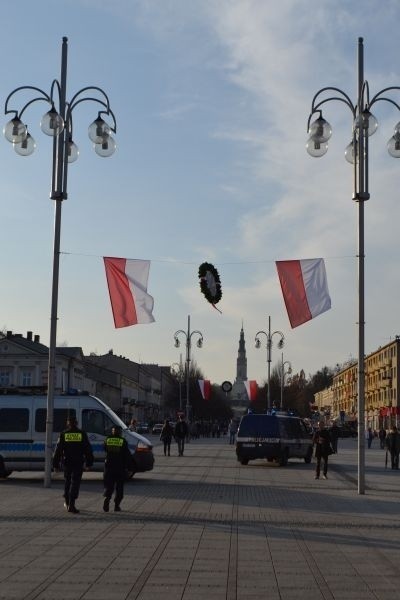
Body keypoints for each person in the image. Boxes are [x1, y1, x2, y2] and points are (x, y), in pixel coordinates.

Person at [53, 416, 93, 514]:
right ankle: (72, 503)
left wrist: (55, 464)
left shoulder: (64, 434)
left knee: (67, 481)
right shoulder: (82, 434)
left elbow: (58, 450)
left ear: (68, 423)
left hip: (67, 462)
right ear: (76, 423)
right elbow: (88, 449)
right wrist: (89, 463)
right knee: (75, 482)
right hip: (78, 462)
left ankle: (67, 502)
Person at [103, 425, 134, 512]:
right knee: (119, 487)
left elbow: (105, 449)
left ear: (112, 431)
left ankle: (107, 498)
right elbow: (127, 455)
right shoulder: (122, 441)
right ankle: (117, 505)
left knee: (109, 485)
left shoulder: (107, 439)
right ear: (119, 432)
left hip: (109, 467)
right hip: (120, 467)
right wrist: (130, 467)